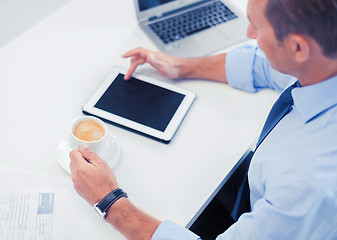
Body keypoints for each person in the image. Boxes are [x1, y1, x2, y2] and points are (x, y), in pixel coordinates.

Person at [69, 0, 337, 239]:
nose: (248, 34)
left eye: (256, 27)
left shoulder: (309, 186)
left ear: (298, 47)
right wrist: (181, 66)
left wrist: (109, 202)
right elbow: (263, 65)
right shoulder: (323, 63)